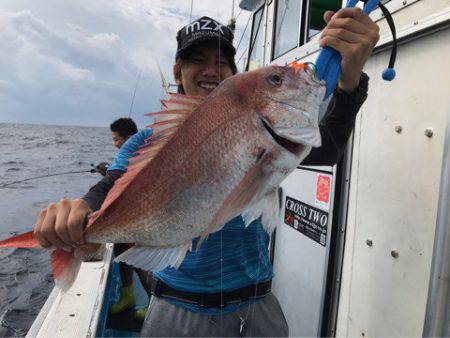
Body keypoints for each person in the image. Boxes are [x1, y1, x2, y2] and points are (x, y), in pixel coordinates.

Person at [33, 8, 379, 337]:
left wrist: (350, 83)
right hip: (178, 311)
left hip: (257, 306)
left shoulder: (271, 133)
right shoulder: (148, 140)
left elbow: (329, 149)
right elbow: (110, 182)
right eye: (197, 61)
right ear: (177, 72)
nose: (211, 71)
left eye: (221, 62)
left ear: (233, 73)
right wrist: (81, 209)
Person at [108, 118, 152, 320]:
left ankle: (154, 302)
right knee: (121, 252)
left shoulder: (142, 149)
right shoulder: (129, 152)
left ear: (128, 138)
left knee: (139, 260)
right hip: (124, 219)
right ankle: (128, 296)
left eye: (116, 139)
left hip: (139, 218)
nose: (115, 143)